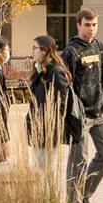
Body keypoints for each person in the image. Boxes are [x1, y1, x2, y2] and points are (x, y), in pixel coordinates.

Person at [62, 7, 103, 203]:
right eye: (87, 25)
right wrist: (73, 113)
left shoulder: (99, 45)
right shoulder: (71, 51)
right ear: (78, 25)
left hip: (100, 111)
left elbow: (102, 76)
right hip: (81, 115)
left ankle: (84, 195)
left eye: (94, 25)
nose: (91, 29)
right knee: (79, 160)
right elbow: (67, 85)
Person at [27, 35, 74, 179]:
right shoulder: (40, 70)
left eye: (35, 48)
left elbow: (61, 103)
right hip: (38, 127)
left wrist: (52, 127)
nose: (32, 52)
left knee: (44, 170)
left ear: (45, 50)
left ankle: (47, 200)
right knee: (39, 169)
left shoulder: (55, 71)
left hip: (48, 129)